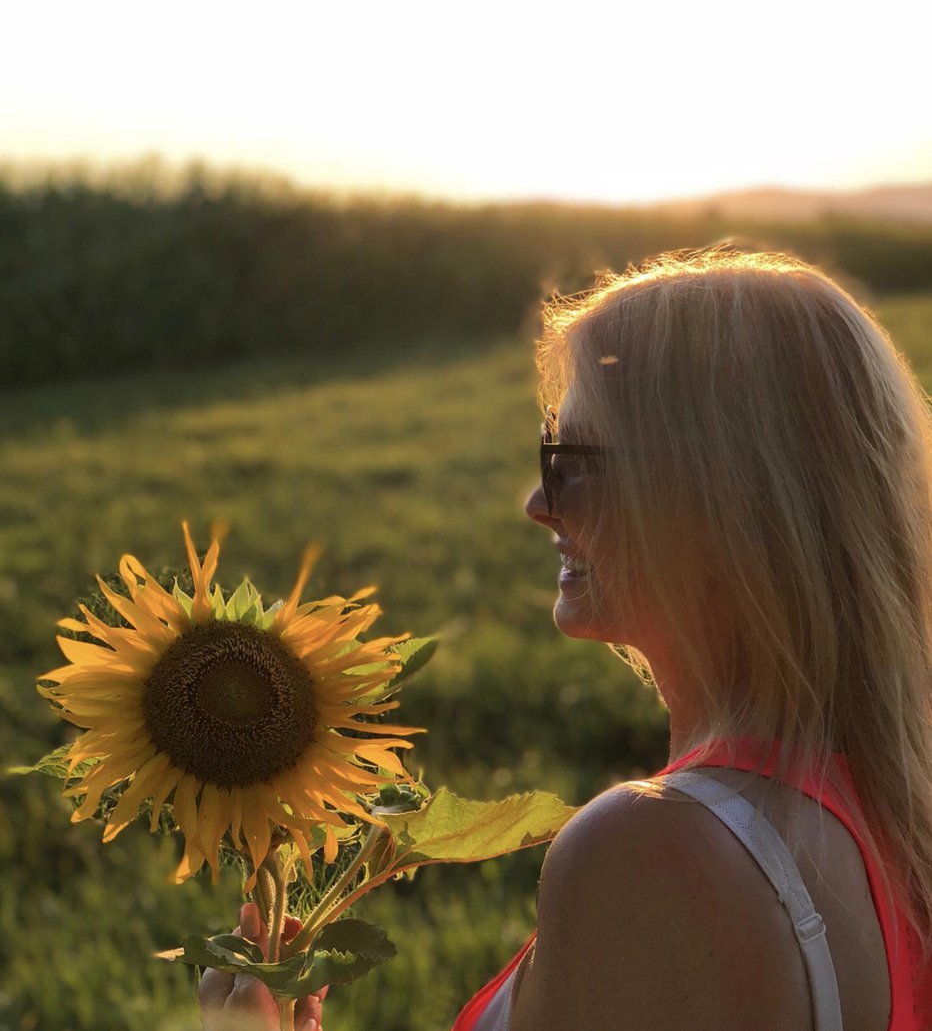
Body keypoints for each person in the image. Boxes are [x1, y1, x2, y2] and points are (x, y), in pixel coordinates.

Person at [200, 247, 932, 1030]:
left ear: (721, 498)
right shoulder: (893, 800)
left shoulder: (660, 855)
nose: (536, 504)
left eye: (570, 460)